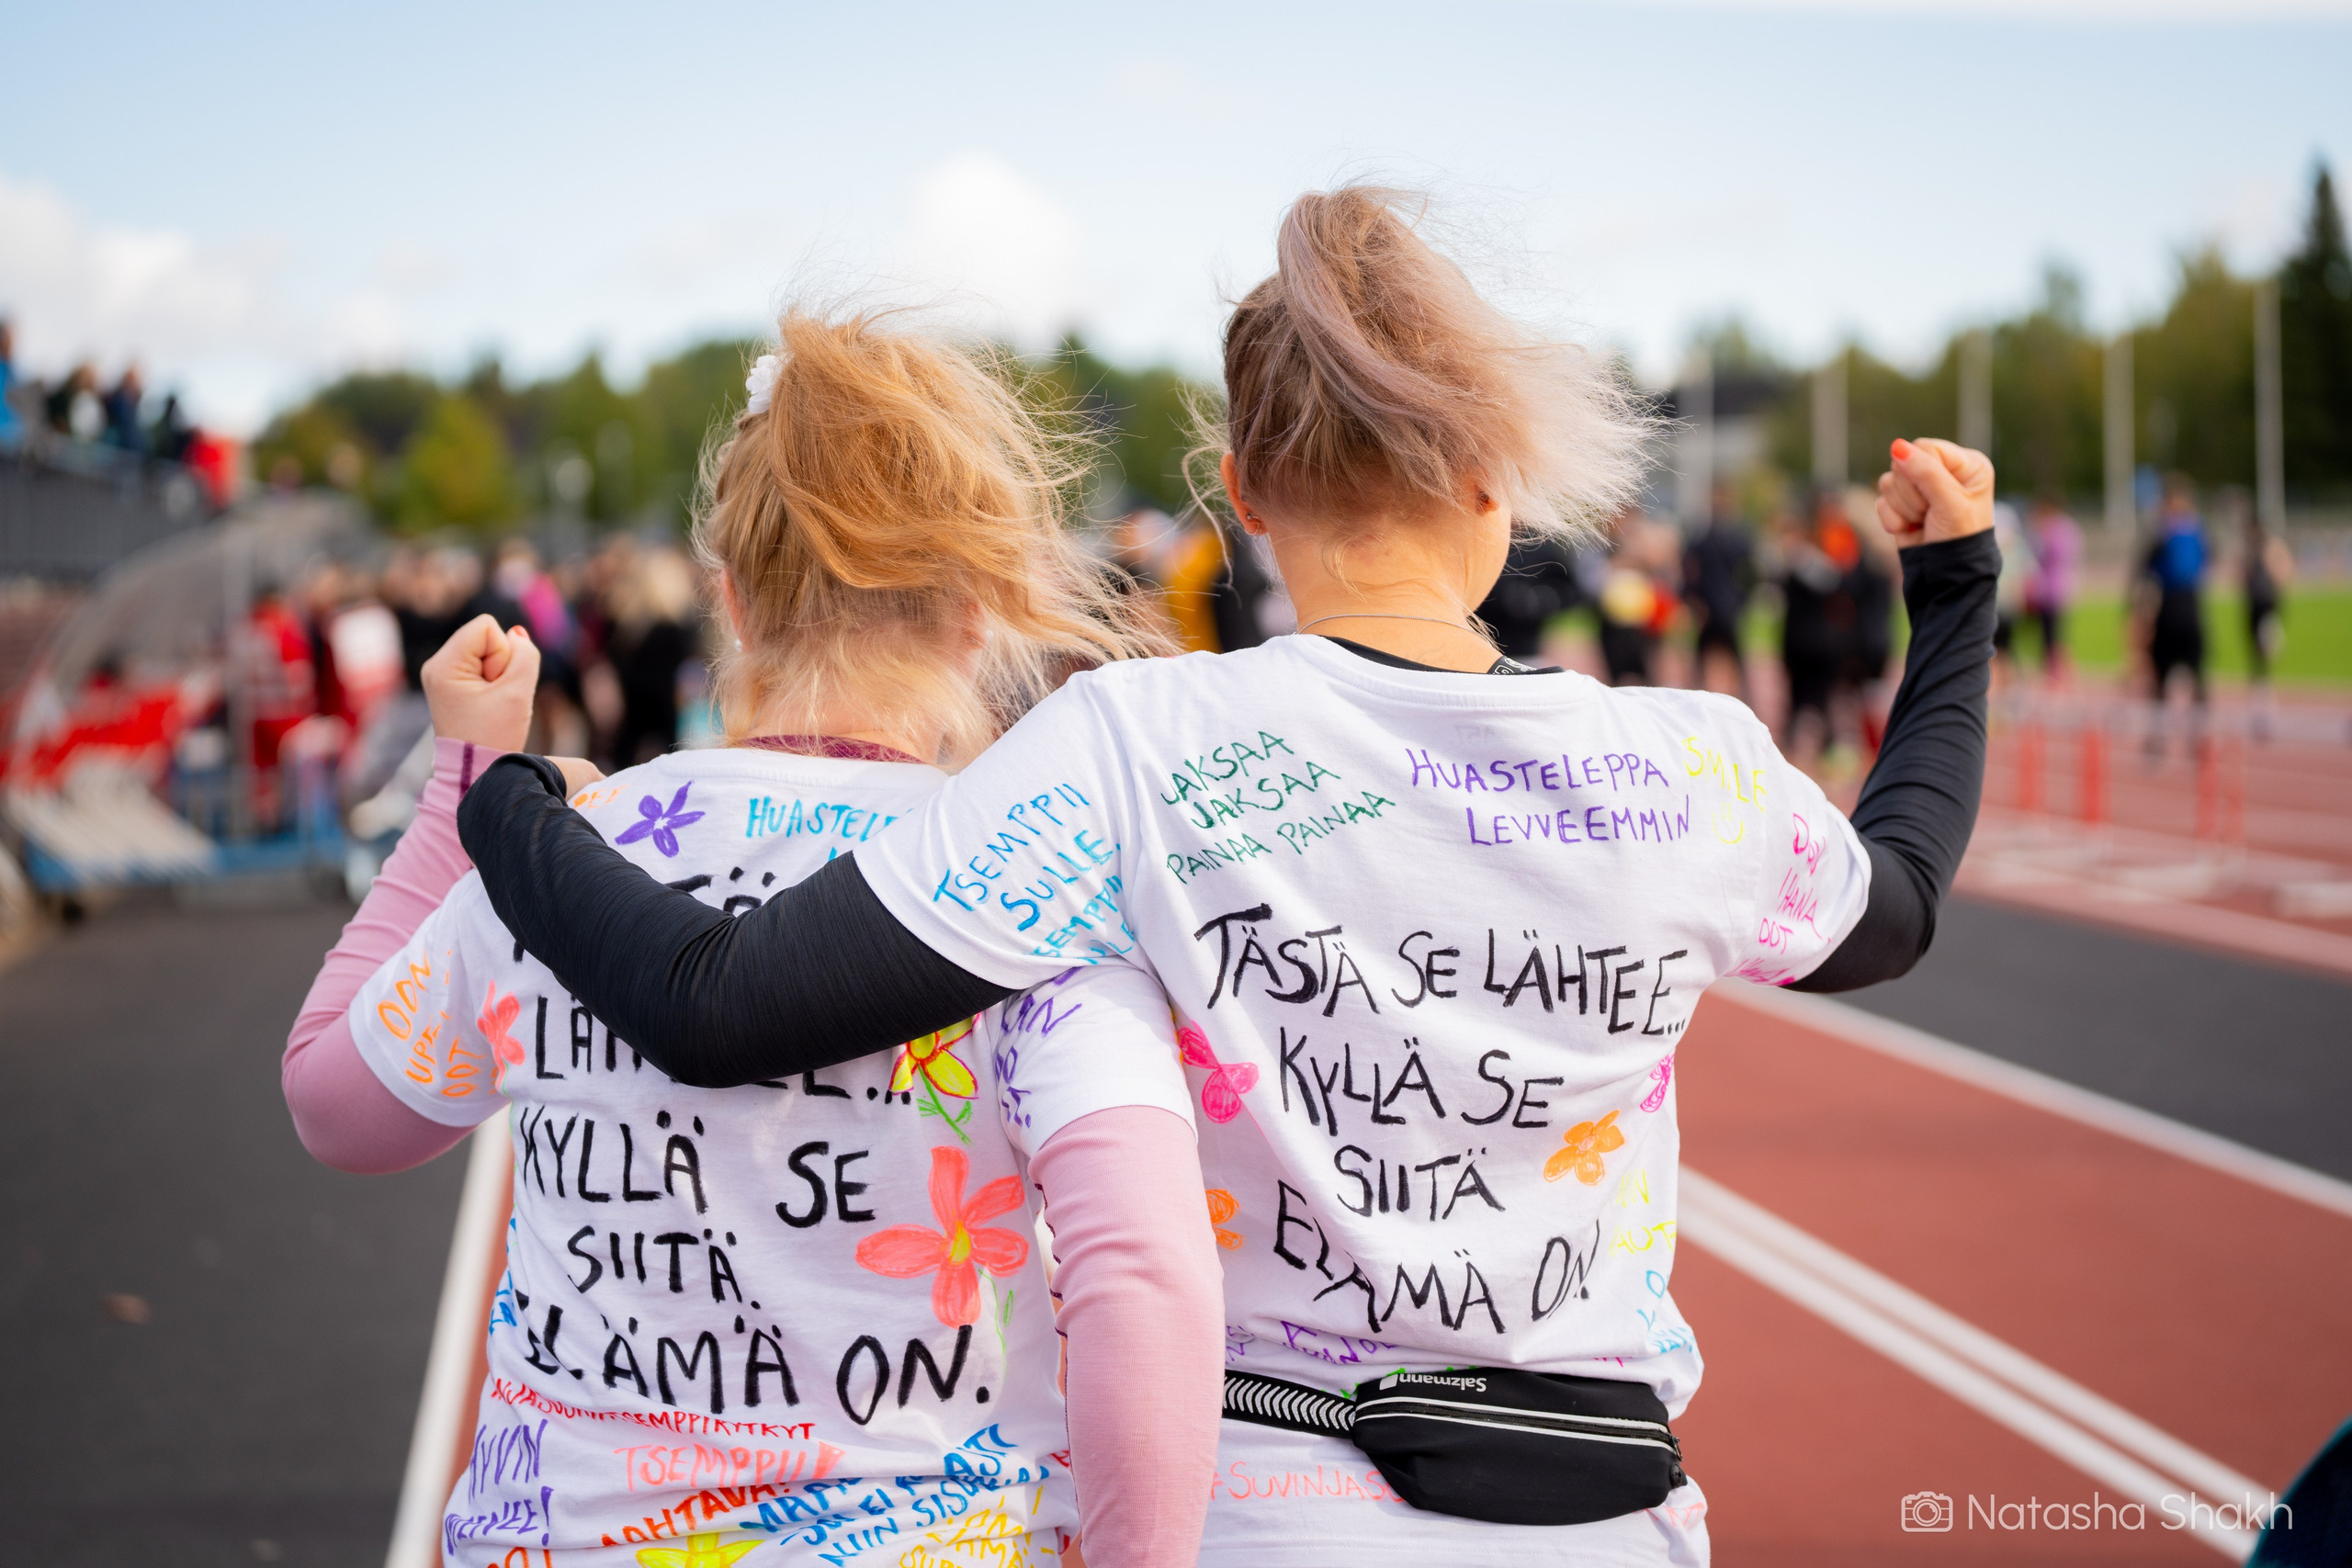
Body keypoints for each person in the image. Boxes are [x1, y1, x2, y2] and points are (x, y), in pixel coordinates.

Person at [456, 187, 2002, 1567]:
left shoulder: (1137, 744)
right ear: (1495, 477)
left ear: (1248, 491)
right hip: (1608, 1509)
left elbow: (722, 1003)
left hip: (1264, 1501)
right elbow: (1903, 898)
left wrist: (511, 801)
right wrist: (1955, 590)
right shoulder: (1700, 767)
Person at [282, 308, 1217, 1566]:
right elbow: (1144, 1274)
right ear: (979, 613)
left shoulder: (557, 856)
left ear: (726, 591)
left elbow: (337, 1106)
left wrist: (465, 790)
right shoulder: (1031, 889)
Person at [2142, 475, 2209, 713]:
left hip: (2175, 607)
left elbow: (2145, 571)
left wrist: (2140, 611)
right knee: (2192, 672)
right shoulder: (2197, 529)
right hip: (2188, 606)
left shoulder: (2163, 532)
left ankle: (2164, 733)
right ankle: (2199, 735)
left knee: (2166, 673)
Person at [1680, 489, 1754, 698]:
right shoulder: (1739, 541)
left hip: (1708, 608)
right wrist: (1742, 601)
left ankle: (1695, 697)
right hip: (1730, 607)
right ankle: (1744, 699)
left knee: (1702, 660)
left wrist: (1692, 599)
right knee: (1736, 660)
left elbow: (1689, 574)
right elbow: (1751, 576)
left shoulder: (1701, 540)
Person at [2025, 496, 2081, 678]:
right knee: (2053, 633)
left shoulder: (2052, 530)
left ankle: (2058, 672)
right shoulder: (2067, 528)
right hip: (2059, 587)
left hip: (2051, 590)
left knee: (2052, 633)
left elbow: (2040, 555)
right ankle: (2058, 670)